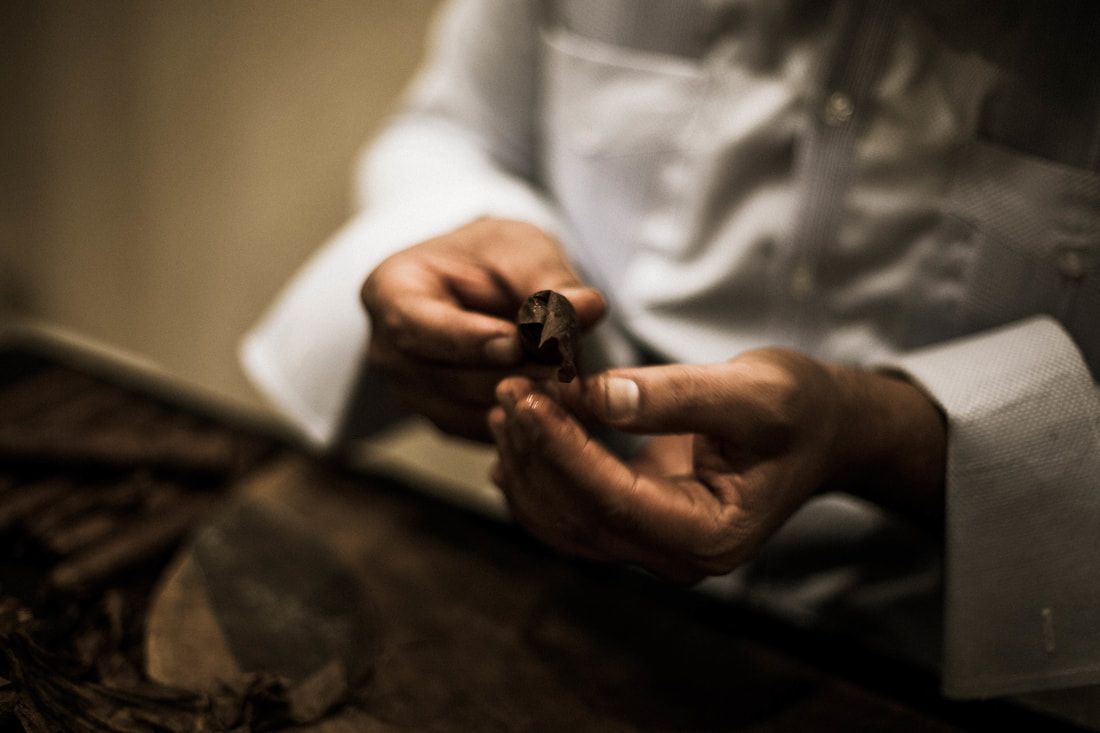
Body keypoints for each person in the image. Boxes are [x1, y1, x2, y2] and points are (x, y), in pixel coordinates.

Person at [241, 0, 1100, 715]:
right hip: (560, 603)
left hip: (976, 674)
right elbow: (451, 128)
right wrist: (465, 240)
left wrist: (884, 435)